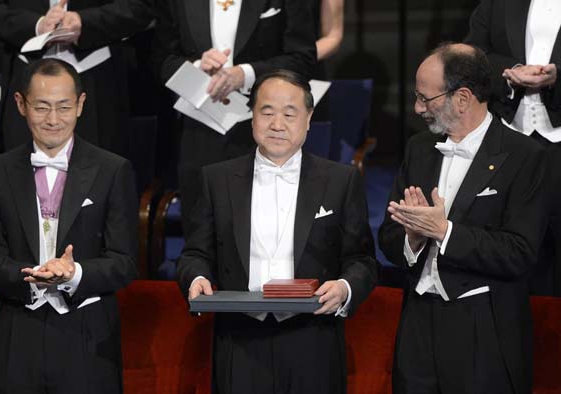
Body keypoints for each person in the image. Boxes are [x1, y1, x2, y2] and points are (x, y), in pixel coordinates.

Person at [177, 70, 378, 394]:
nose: (277, 124)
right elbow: (194, 253)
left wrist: (344, 287)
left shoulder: (340, 180)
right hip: (239, 337)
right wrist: (196, 277)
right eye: (267, 112)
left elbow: (361, 260)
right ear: (252, 116)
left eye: (289, 113)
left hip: (313, 337)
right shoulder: (217, 178)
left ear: (309, 118)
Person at [378, 43, 547, 394]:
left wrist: (445, 231)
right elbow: (389, 236)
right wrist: (412, 237)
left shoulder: (525, 156)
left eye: (426, 98)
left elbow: (520, 252)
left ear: (463, 98)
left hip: (483, 332)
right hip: (418, 328)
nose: (417, 108)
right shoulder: (419, 149)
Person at [0, 58, 137, 394]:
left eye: (63, 107)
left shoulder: (112, 170)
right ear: (20, 104)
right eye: (41, 107)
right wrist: (29, 275)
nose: (52, 119)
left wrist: (74, 274)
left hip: (87, 334)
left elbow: (124, 262)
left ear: (81, 104)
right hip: (17, 330)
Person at [149, 0, 317, 233]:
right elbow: (161, 59)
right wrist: (196, 66)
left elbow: (303, 59)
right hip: (200, 129)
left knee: (265, 230)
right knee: (201, 231)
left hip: (266, 131)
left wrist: (246, 74)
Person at [465, 0, 561, 296]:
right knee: (506, 237)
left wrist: (558, 76)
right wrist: (511, 71)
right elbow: (472, 54)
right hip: (508, 136)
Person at [0, 0, 138, 156]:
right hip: (25, 74)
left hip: (98, 83)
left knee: (100, 183)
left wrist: (86, 23)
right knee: (18, 183)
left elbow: (140, 6)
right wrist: (35, 26)